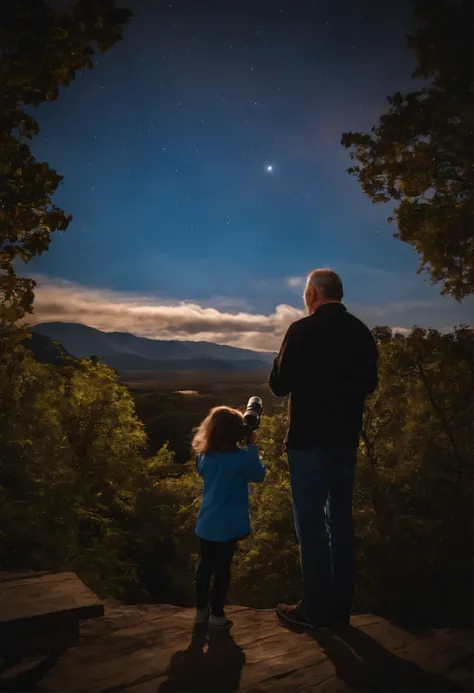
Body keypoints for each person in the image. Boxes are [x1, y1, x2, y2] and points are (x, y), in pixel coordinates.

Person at [269, 268, 378, 629]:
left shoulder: (301, 330)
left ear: (314, 292)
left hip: (308, 442)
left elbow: (278, 385)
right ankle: (339, 609)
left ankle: (314, 609)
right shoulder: (361, 332)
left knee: (312, 525)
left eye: (305, 290)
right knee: (341, 523)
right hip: (345, 442)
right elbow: (370, 384)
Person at [192, 406, 266, 630]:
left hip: (207, 524)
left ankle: (200, 612)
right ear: (238, 433)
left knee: (205, 567)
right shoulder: (241, 459)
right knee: (223, 568)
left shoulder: (204, 457)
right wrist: (251, 446)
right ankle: (217, 615)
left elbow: (204, 469)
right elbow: (259, 475)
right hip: (228, 527)